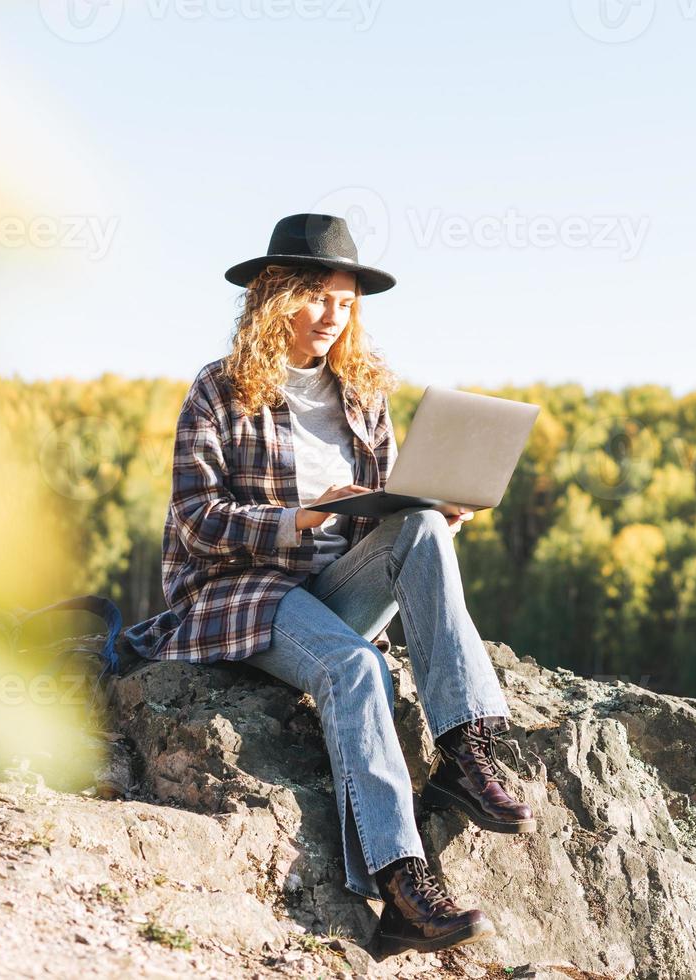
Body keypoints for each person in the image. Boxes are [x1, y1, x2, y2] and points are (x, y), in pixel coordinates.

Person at [150, 213, 537, 954]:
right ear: (275, 296)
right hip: (243, 595)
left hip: (331, 590)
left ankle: (464, 747)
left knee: (420, 527)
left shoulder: (362, 394)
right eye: (318, 296)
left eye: (346, 300)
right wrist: (297, 518)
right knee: (354, 667)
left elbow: (384, 511)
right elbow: (198, 520)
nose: (334, 315)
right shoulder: (219, 390)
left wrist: (432, 512)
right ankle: (401, 882)